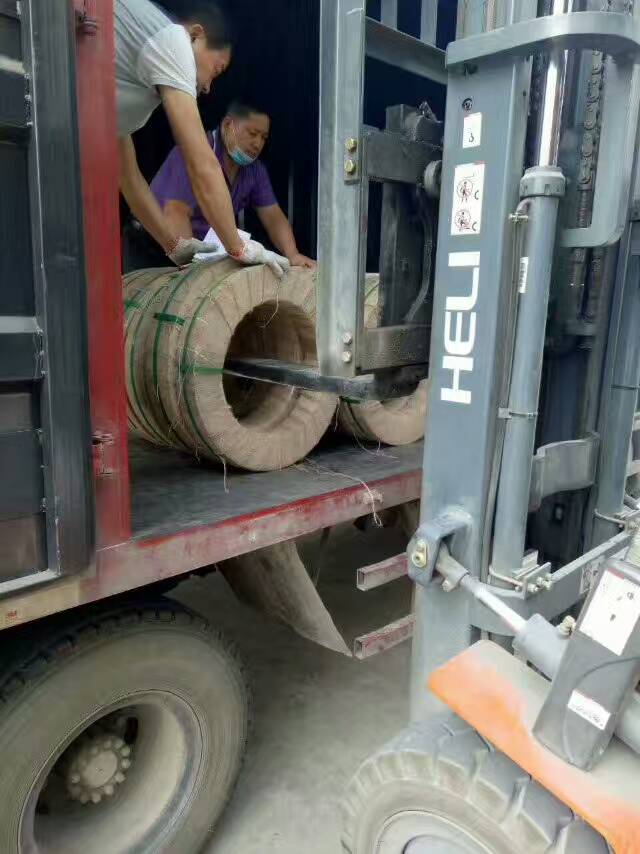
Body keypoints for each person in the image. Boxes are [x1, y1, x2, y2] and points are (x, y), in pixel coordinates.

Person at [115, 0, 289, 275]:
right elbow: (202, 165)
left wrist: (173, 245)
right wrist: (239, 248)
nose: (207, 87)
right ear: (196, 36)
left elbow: (130, 180)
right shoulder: (173, 40)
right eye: (217, 70)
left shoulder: (126, 92)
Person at [151, 101, 316, 268]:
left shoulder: (254, 170)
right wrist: (190, 268)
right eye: (252, 133)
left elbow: (273, 216)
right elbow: (175, 212)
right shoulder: (192, 154)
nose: (258, 144)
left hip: (205, 254)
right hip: (160, 248)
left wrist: (292, 254)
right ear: (227, 125)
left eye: (263, 137)